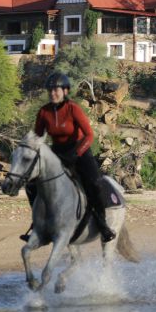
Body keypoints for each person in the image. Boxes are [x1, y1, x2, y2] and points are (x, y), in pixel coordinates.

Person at [22, 72, 116, 243]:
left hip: (80, 150)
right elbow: (38, 136)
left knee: (94, 183)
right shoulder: (44, 112)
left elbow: (89, 135)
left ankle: (103, 225)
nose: (52, 94)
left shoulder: (73, 108)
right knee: (30, 184)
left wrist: (77, 153)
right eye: (50, 90)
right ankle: (38, 223)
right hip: (57, 152)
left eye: (56, 90)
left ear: (65, 91)